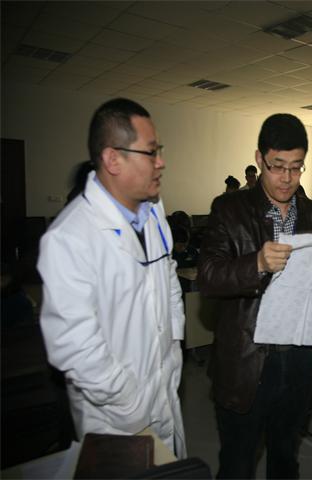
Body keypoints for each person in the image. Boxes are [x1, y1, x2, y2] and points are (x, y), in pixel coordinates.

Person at [197, 113, 312, 479]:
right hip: (246, 360)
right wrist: (256, 263)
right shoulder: (229, 209)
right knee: (237, 464)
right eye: (277, 166)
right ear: (259, 159)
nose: (287, 178)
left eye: (296, 168)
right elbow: (208, 277)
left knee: (285, 459)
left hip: (299, 361)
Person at [37, 98, 186, 458]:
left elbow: (168, 279)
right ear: (113, 159)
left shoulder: (153, 211)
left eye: (159, 150)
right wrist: (129, 400)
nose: (161, 162)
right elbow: (75, 346)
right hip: (115, 414)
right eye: (151, 152)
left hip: (164, 387)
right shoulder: (68, 237)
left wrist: (174, 343)